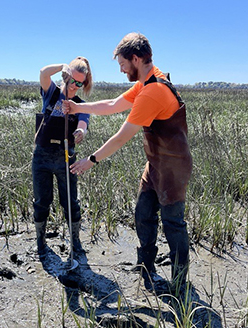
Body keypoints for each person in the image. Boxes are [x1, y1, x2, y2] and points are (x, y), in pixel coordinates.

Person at [63, 33, 192, 294]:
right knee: (143, 214)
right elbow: (113, 104)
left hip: (174, 168)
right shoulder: (146, 81)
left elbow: (121, 137)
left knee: (173, 222)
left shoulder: (153, 91)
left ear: (136, 58)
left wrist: (91, 160)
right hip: (156, 164)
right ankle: (146, 267)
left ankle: (179, 283)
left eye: (122, 63)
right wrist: (77, 109)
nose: (121, 69)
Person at [33, 56, 93, 257]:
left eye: (80, 83)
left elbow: (83, 124)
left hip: (66, 158)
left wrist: (80, 133)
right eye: (73, 80)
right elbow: (43, 72)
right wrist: (61, 66)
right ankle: (40, 241)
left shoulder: (81, 105)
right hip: (41, 156)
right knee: (42, 199)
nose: (76, 86)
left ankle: (75, 241)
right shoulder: (51, 93)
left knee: (70, 201)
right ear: (66, 77)